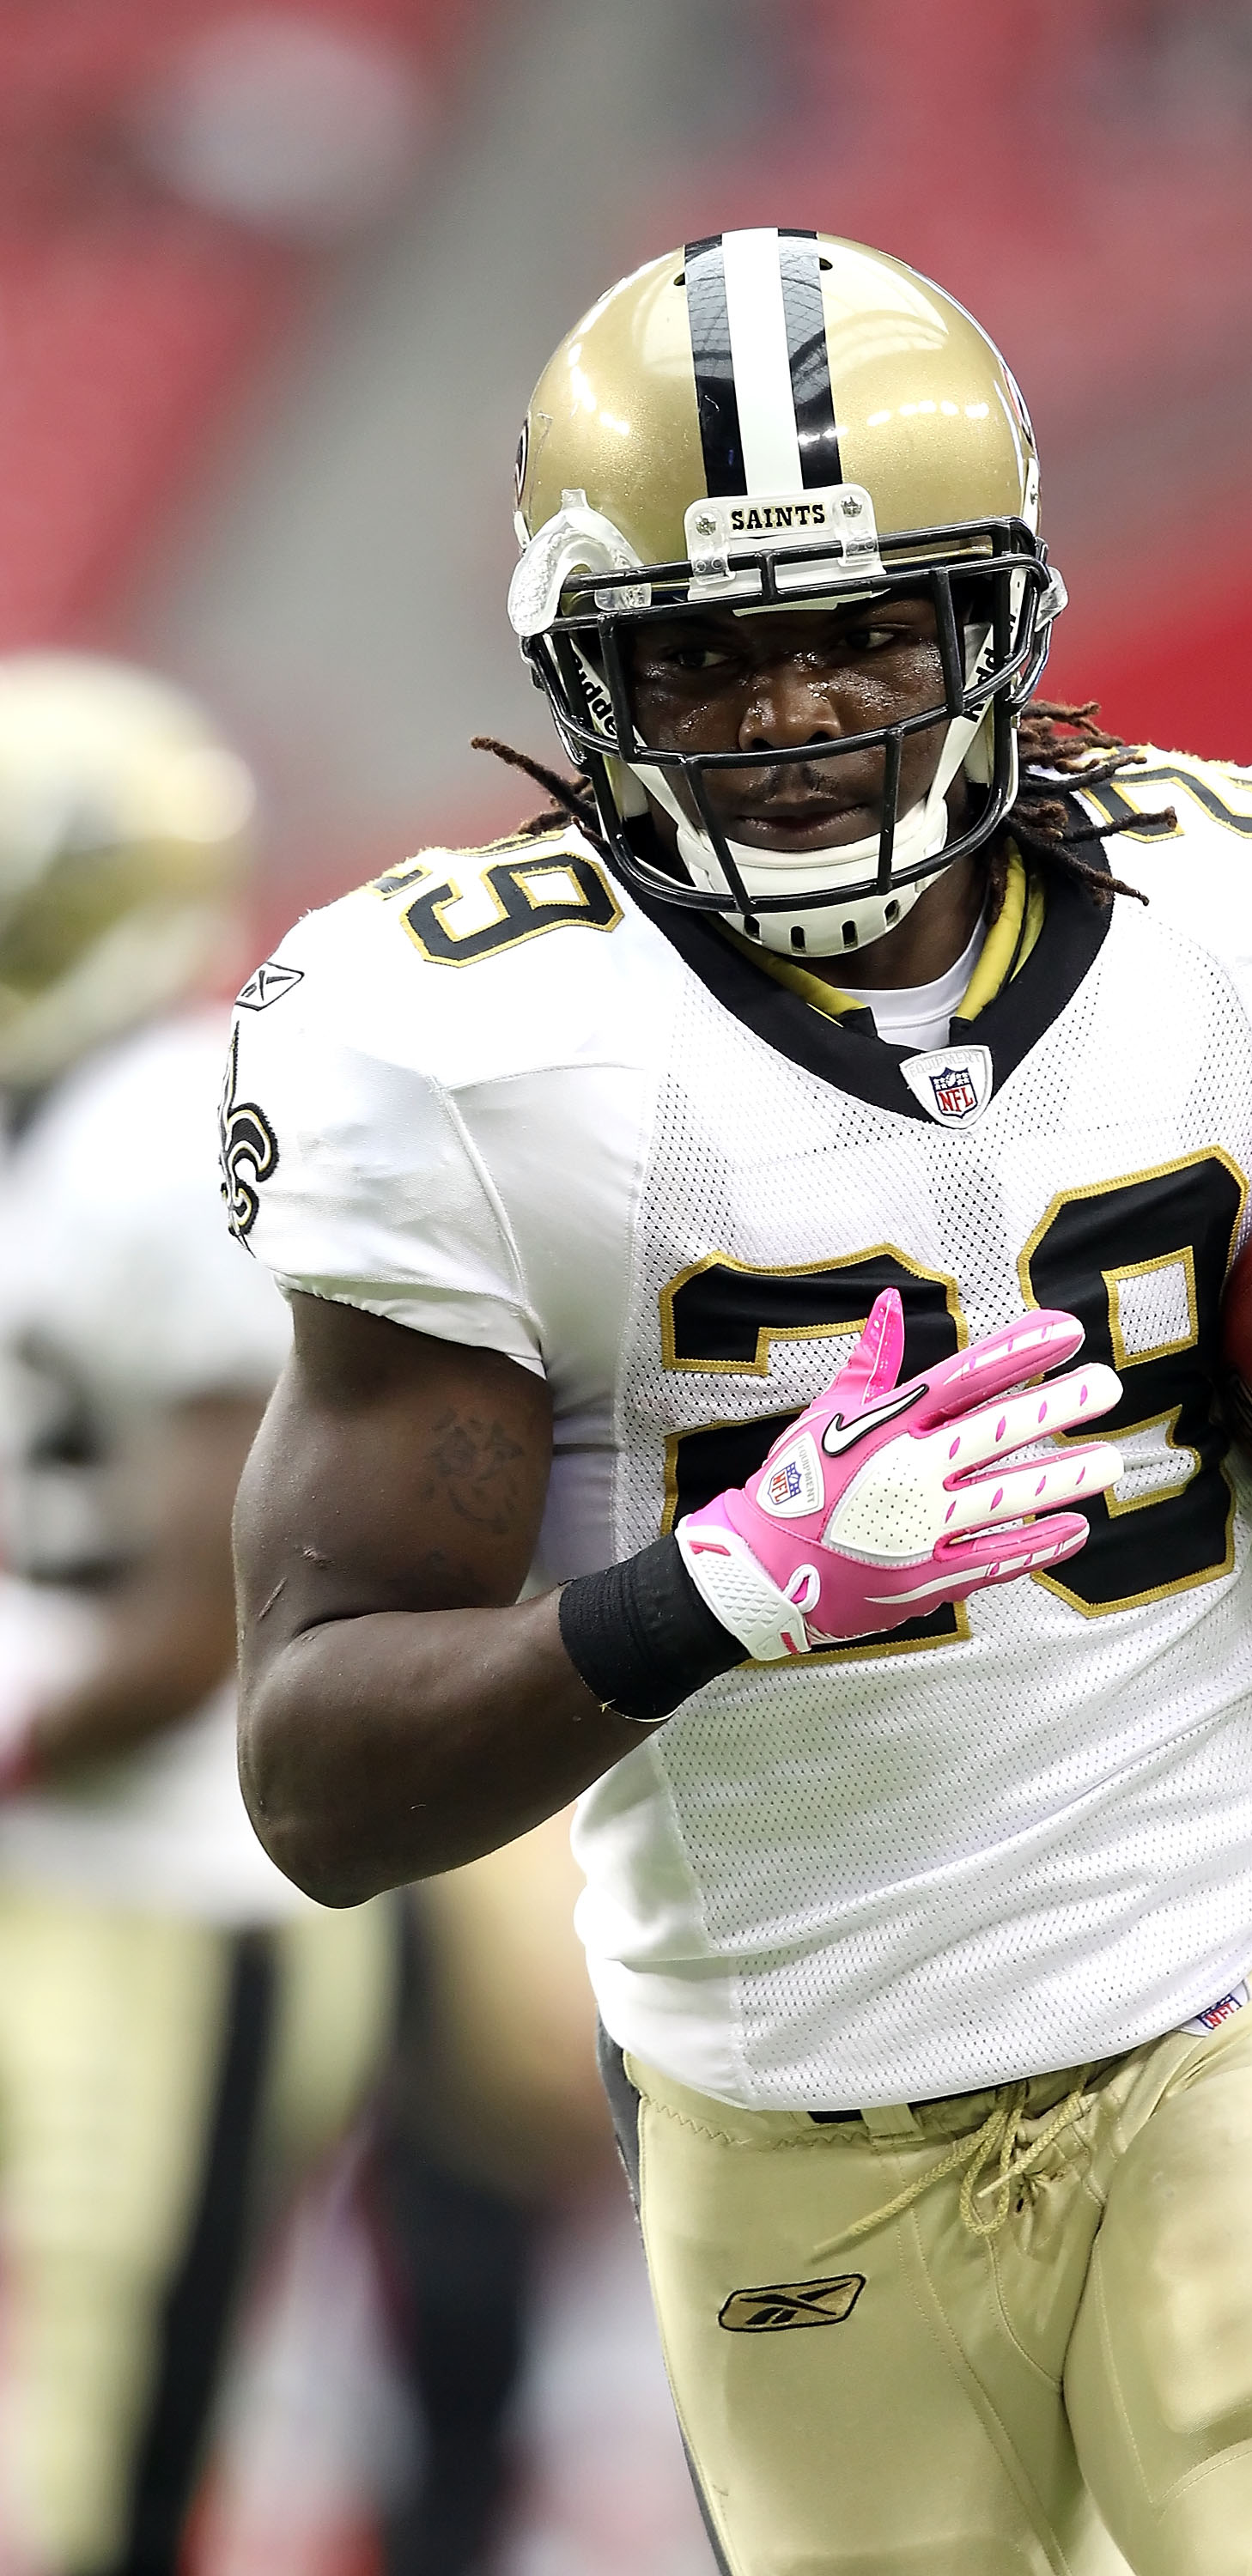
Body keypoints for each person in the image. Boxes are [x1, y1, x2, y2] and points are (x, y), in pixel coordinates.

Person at [225, 232, 1252, 2575]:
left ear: (1000, 619)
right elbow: (321, 1778)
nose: (806, 716)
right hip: (782, 2107)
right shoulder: (468, 1054)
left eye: (866, 631)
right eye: (715, 658)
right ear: (585, 679)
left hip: (1233, 2007)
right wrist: (717, 1592)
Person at [0, 654, 392, 2576]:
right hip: (41, 1859)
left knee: (122, 2448)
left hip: (174, 1883)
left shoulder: (164, 1132)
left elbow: (212, 1606)